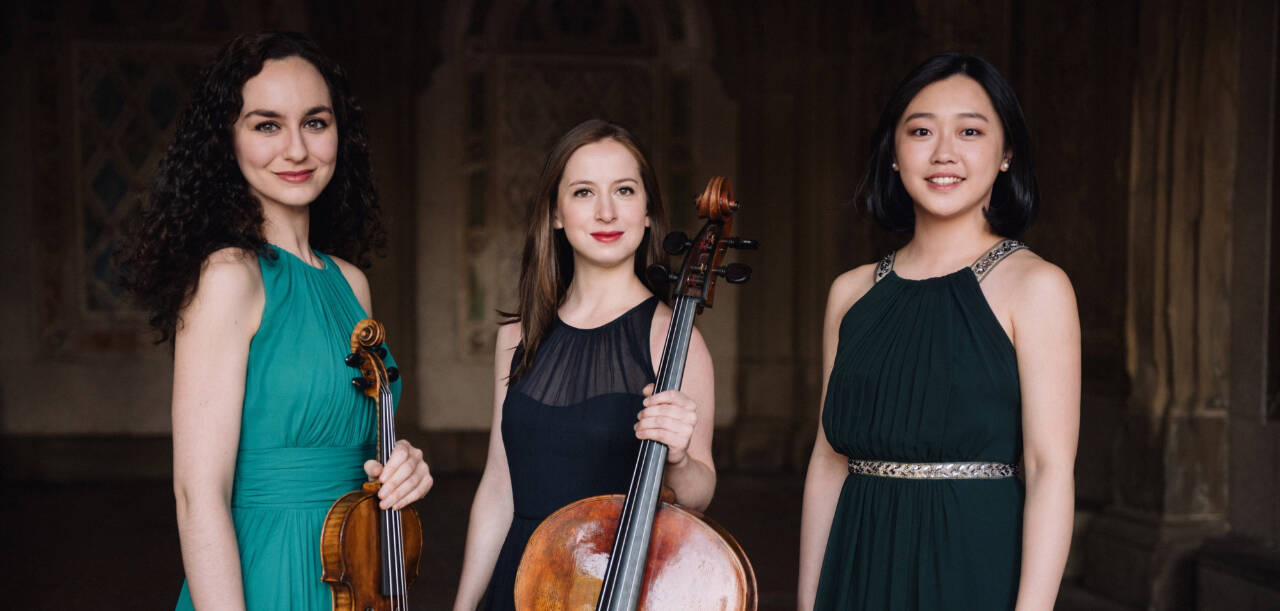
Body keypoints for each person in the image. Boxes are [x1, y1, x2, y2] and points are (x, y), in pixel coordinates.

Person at [116, 31, 433, 610]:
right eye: (267, 125)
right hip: (266, 572)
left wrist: (402, 465)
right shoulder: (227, 278)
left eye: (315, 122)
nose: (296, 150)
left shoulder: (350, 282)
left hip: (357, 573)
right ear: (227, 142)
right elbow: (197, 494)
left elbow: (358, 438)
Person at [798, 53, 1080, 610]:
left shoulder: (1037, 286)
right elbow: (828, 462)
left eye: (970, 131)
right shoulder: (850, 293)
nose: (943, 152)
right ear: (894, 156)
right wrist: (810, 603)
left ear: (1005, 155)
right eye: (921, 130)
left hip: (972, 567)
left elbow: (1050, 471)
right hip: (858, 565)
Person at [451, 119, 718, 610]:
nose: (606, 211)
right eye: (582, 192)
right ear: (556, 214)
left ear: (646, 211)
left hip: (613, 585)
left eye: (624, 190)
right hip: (520, 582)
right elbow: (498, 485)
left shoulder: (674, 339)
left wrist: (678, 457)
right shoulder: (517, 337)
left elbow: (698, 494)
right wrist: (465, 604)